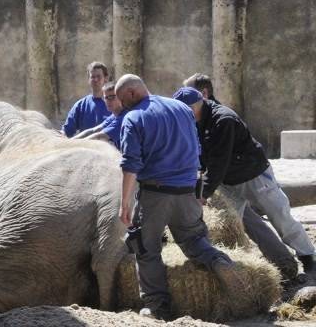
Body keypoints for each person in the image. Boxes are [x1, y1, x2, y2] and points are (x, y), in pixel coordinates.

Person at [115, 74, 247, 320]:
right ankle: (219, 261)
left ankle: (156, 307)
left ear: (132, 93)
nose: (122, 105)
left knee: (146, 248)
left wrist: (125, 204)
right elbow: (196, 149)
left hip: (155, 193)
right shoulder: (181, 108)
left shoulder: (133, 117)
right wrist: (197, 189)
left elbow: (130, 164)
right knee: (194, 240)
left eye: (122, 99)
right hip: (187, 191)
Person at [172, 86, 316, 273]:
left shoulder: (223, 120)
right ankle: (263, 264)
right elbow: (199, 158)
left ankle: (308, 257)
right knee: (235, 224)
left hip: (253, 175)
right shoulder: (193, 120)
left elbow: (218, 162)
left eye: (183, 110)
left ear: (197, 105)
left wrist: (203, 193)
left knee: (280, 217)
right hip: (227, 181)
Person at [61, 61, 112, 137]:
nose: (95, 80)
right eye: (92, 77)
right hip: (87, 147)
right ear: (88, 79)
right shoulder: (80, 106)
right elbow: (66, 131)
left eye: (98, 76)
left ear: (106, 78)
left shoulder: (115, 103)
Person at [72, 81, 127, 150]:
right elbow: (93, 130)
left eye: (112, 97)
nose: (108, 101)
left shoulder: (125, 117)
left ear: (120, 97)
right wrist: (69, 142)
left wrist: (72, 146)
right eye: (106, 98)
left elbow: (100, 136)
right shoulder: (114, 115)